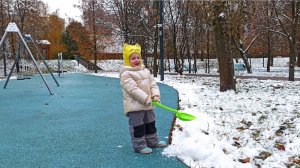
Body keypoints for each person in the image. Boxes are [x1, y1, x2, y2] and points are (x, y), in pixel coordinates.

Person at [119, 43, 167, 154]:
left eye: (138, 57)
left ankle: (152, 142)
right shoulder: (126, 74)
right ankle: (139, 146)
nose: (136, 60)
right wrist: (146, 99)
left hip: (148, 103)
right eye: (133, 58)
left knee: (150, 123)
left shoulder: (146, 71)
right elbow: (133, 90)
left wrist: (155, 95)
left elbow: (153, 84)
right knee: (138, 126)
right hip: (134, 106)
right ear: (127, 60)